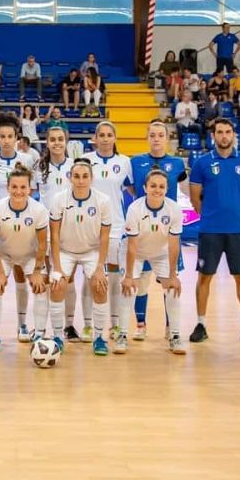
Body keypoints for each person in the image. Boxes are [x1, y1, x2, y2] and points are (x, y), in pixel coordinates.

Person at [188, 118, 240, 345]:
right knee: (205, 277)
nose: (224, 136)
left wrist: (234, 213)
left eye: (228, 132)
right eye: (220, 132)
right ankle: (201, 324)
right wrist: (213, 215)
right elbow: (195, 200)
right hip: (210, 230)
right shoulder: (202, 163)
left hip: (239, 230)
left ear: (234, 135)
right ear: (213, 136)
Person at [129, 119, 188, 341]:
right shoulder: (136, 162)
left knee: (169, 281)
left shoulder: (177, 164)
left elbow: (186, 189)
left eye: (160, 135)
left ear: (167, 137)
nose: (156, 139)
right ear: (147, 137)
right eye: (152, 135)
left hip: (168, 232)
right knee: (142, 281)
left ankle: (170, 328)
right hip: (143, 232)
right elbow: (132, 188)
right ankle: (141, 325)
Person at [49, 158, 111, 355]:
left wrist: (100, 266)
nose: (81, 180)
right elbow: (55, 235)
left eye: (85, 176)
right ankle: (58, 335)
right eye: (76, 176)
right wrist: (57, 268)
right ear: (70, 178)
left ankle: (99, 337)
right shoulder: (59, 199)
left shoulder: (103, 201)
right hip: (65, 251)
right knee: (57, 285)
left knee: (100, 286)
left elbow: (104, 236)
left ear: (92, 178)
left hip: (91, 251)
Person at [121, 170, 186, 354]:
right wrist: (128, 276)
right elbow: (132, 245)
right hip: (137, 251)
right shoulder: (135, 208)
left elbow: (174, 245)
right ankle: (123, 336)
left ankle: (175, 336)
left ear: (167, 188)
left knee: (173, 287)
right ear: (145, 188)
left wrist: (173, 275)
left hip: (161, 253)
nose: (157, 190)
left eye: (161, 186)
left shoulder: (174, 209)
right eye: (153, 186)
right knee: (128, 287)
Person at [0, 114, 37, 340]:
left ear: (17, 138)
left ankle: (23, 324)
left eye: (10, 136)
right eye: (2, 136)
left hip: (21, 226)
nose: (6, 140)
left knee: (20, 275)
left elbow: (31, 191)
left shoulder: (27, 160)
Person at [0, 164, 49, 352]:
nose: (19, 191)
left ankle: (39, 332)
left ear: (30, 188)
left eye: (23, 187)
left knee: (40, 286)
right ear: (7, 188)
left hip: (30, 255)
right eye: (14, 187)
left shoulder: (38, 210)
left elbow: (42, 244)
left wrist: (38, 270)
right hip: (5, 255)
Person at [83, 122, 134, 344]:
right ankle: (87, 325)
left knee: (113, 278)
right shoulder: (86, 161)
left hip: (115, 227)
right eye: (101, 135)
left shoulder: (124, 163)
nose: (104, 139)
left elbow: (132, 190)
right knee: (90, 277)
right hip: (89, 226)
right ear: (95, 137)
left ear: (114, 137)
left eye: (109, 135)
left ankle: (114, 324)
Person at [36, 126, 79, 340]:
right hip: (45, 229)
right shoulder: (39, 167)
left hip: (69, 230)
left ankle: (69, 325)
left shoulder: (74, 166)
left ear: (66, 141)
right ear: (47, 142)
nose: (57, 143)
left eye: (60, 139)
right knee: (46, 279)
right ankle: (41, 327)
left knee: (67, 279)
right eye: (52, 139)